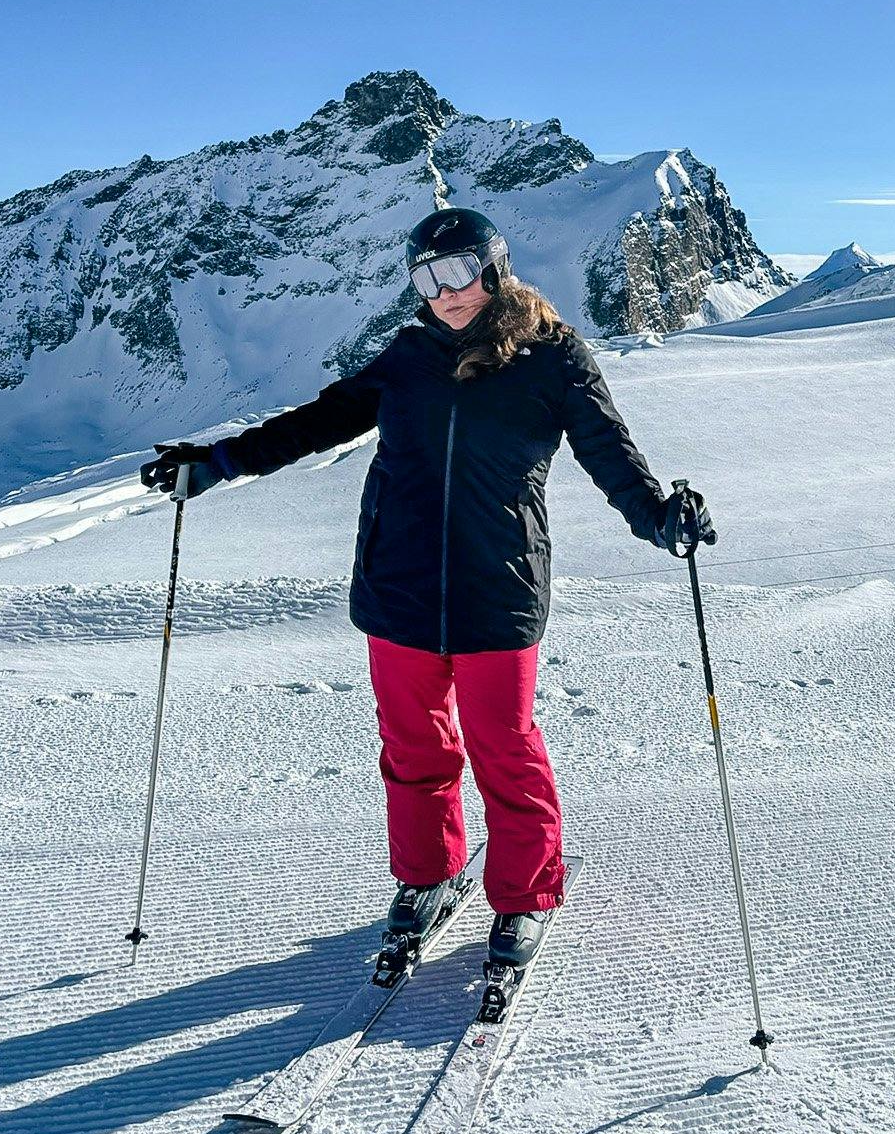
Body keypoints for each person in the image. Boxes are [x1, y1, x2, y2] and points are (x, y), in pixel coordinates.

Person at [141, 206, 715, 970]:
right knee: (413, 749)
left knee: (503, 750)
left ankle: (523, 893)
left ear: (494, 268)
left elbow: (610, 453)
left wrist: (659, 517)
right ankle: (429, 874)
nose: (444, 291)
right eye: (426, 276)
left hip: (497, 586)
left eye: (458, 271)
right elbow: (320, 420)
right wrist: (216, 462)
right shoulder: (407, 355)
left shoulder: (555, 358)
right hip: (400, 586)